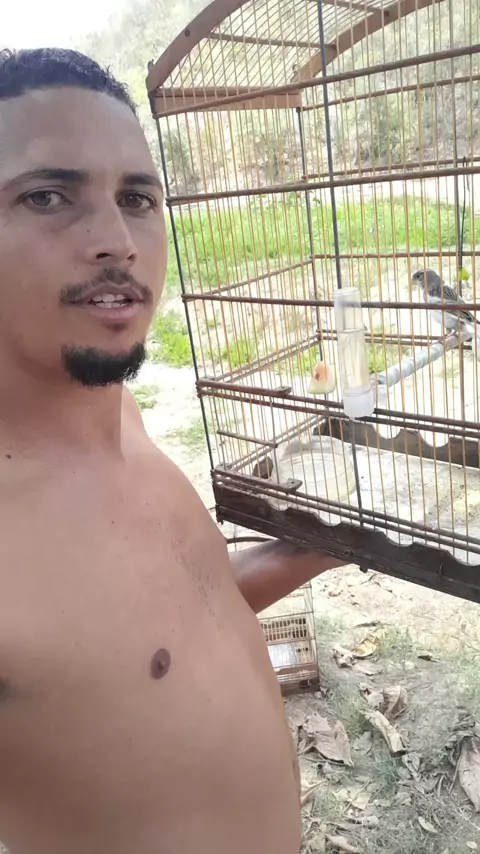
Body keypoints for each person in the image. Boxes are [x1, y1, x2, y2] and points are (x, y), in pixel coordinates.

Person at [0, 48, 346, 854]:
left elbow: (179, 614)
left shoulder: (120, 417)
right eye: (48, 195)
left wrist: (322, 545)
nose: (115, 240)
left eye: (137, 198)